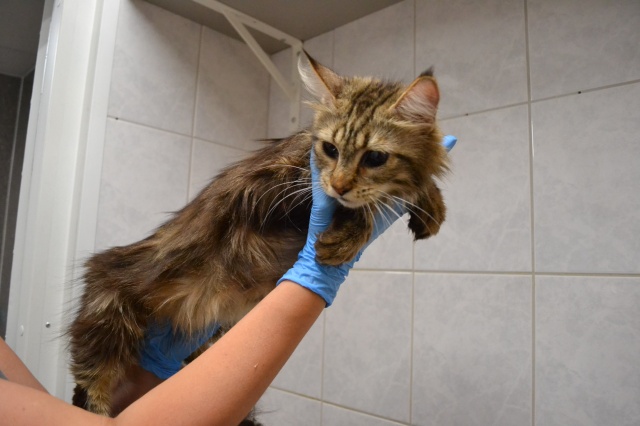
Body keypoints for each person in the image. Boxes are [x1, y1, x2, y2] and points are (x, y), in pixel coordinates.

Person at [0, 136, 457, 425]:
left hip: (191, 321)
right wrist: (314, 280)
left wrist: (145, 372)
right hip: (142, 295)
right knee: (99, 362)